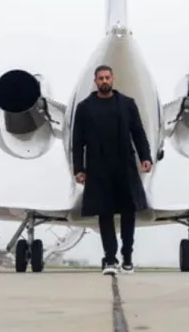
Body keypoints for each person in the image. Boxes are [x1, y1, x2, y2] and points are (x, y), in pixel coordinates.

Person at [71, 64, 153, 275]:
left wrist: (146, 157)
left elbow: (138, 132)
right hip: (98, 168)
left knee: (129, 212)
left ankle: (127, 257)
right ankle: (110, 259)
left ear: (113, 79)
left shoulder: (127, 104)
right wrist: (79, 169)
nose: (104, 81)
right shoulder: (85, 108)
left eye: (107, 77)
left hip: (125, 166)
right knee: (104, 214)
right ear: (95, 81)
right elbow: (77, 141)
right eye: (101, 78)